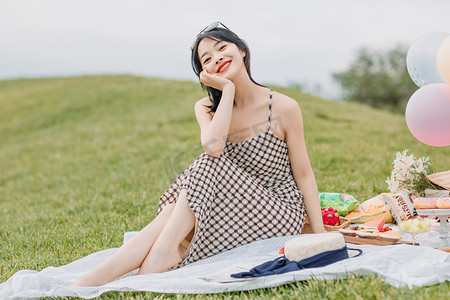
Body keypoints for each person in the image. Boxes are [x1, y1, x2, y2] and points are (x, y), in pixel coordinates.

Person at [72, 22, 325, 287]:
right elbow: (214, 144)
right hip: (232, 208)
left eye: (222, 48)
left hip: (278, 211)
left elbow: (304, 174)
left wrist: (319, 235)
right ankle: (103, 274)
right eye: (207, 59)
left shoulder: (284, 107)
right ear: (205, 73)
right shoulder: (206, 107)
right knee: (174, 208)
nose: (217, 58)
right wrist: (227, 91)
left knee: (207, 163)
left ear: (242, 51)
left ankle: (160, 255)